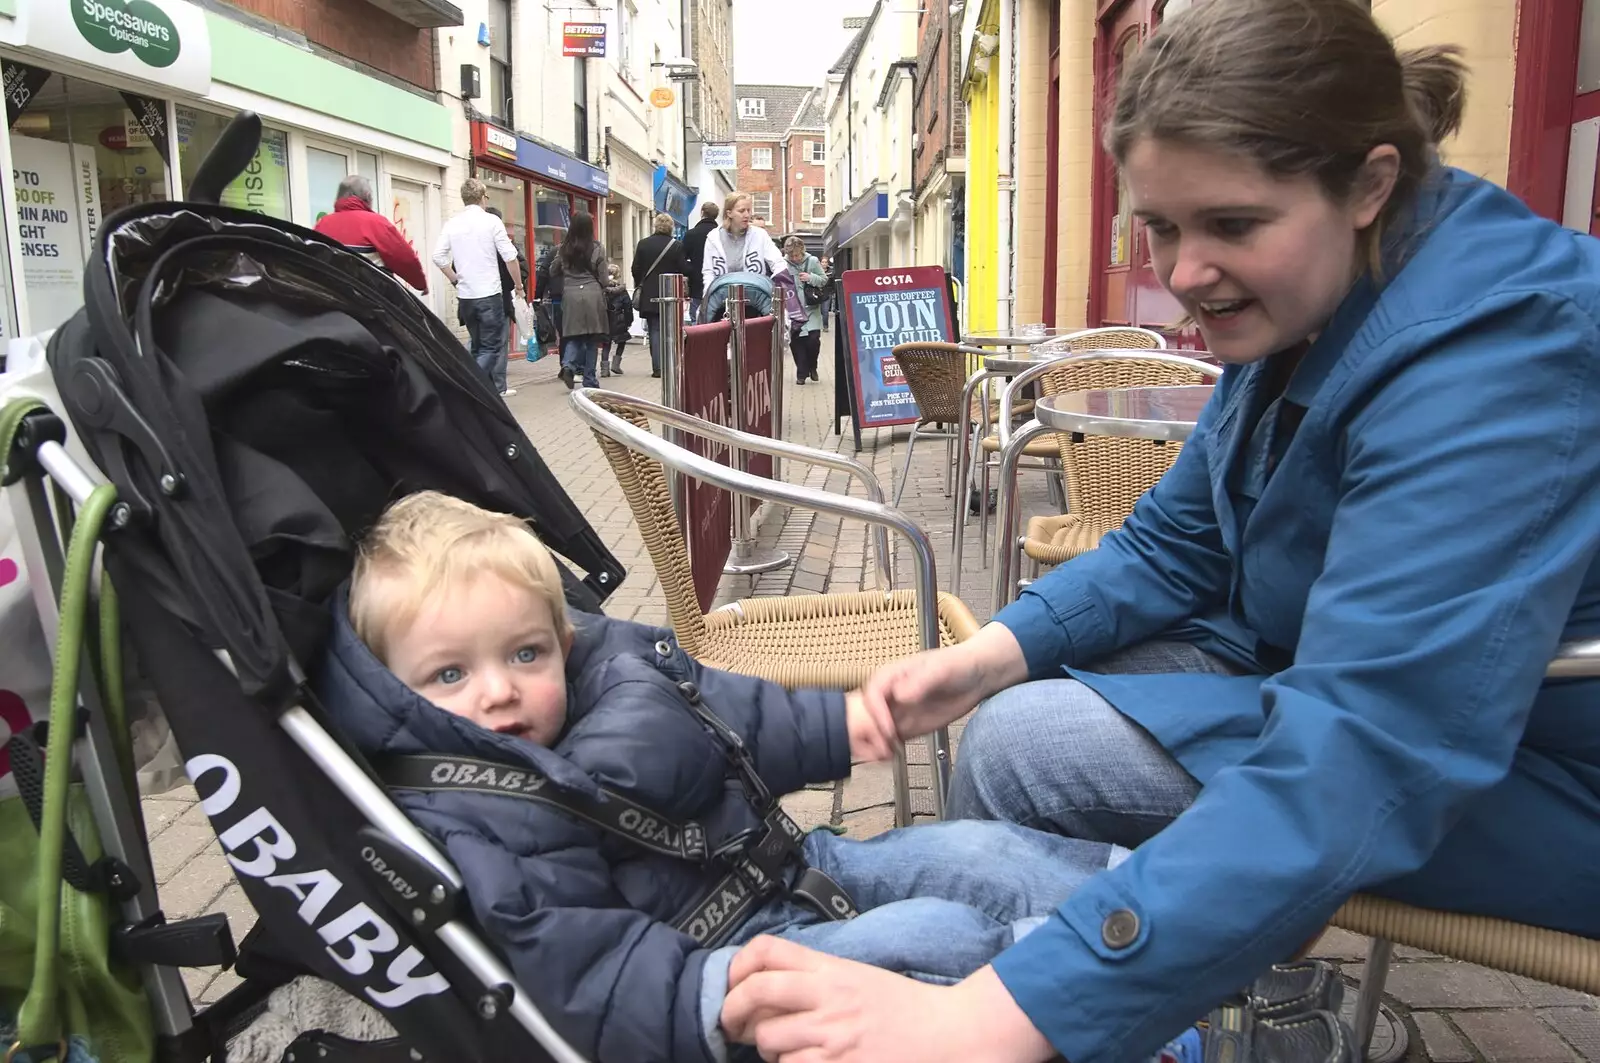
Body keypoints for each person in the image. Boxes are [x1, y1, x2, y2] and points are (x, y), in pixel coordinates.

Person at [718, 0, 1600, 1060]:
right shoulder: (1317, 291)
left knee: (1029, 754)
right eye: (1161, 227)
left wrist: (996, 1020)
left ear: (1368, 184)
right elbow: (1176, 540)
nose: (1182, 274)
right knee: (1011, 718)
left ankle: (1111, 994)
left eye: (1229, 225)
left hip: (1535, 775)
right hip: (1336, 686)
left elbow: (1373, 749)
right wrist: (990, 655)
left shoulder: (1497, 357)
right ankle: (1205, 995)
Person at [314, 490, 1131, 1063]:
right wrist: (713, 993)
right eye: (449, 674)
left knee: (971, 852)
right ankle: (1115, 1001)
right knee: (927, 934)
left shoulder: (615, 675)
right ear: (394, 687)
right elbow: (579, 964)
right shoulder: (467, 818)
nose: (498, 690)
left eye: (524, 653)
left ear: (562, 640)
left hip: (789, 865)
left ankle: (1141, 890)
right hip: (723, 962)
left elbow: (735, 716)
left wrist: (844, 723)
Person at [433, 178, 523, 398]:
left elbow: (438, 257)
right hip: (489, 295)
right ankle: (466, 388)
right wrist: (519, 286)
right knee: (491, 348)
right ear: (483, 198)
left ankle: (486, 397)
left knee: (477, 348)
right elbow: (510, 257)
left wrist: (455, 280)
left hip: (466, 298)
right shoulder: (491, 222)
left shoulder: (452, 223)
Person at [313, 175, 428, 293]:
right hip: (370, 302)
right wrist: (420, 284)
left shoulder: (322, 224)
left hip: (331, 297)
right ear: (367, 197)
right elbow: (404, 258)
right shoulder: (376, 223)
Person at [549, 212, 610, 390]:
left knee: (574, 336)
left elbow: (553, 270)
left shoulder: (563, 249)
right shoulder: (598, 248)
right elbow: (604, 279)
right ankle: (590, 379)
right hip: (592, 295)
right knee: (592, 340)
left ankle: (568, 366)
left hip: (571, 296)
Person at [633, 213, 688, 378]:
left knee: (654, 331)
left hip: (649, 294)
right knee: (670, 331)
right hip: (670, 294)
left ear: (655, 225)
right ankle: (671, 365)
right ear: (671, 227)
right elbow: (684, 268)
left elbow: (635, 268)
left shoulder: (643, 244)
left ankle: (657, 368)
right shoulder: (676, 245)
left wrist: (641, 283)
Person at [700, 192, 787, 297]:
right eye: (741, 211)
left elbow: (778, 263)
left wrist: (773, 287)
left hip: (756, 300)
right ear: (729, 213)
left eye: (748, 210)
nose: (747, 215)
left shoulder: (759, 235)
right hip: (722, 301)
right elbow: (708, 272)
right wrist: (708, 299)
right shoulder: (713, 238)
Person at [781, 236, 826, 384]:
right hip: (793, 310)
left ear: (802, 251)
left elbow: (824, 279)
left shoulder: (812, 261)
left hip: (811, 308)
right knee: (797, 343)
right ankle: (801, 374)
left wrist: (810, 277)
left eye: (797, 255)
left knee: (813, 340)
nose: (794, 258)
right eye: (791, 255)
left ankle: (813, 366)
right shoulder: (783, 264)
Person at [683, 202, 719, 323]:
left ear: (702, 213)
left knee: (696, 319)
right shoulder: (722, 234)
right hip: (718, 283)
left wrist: (692, 270)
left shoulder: (691, 234)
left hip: (697, 283)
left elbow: (683, 259)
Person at [599, 263, 633, 377]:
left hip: (605, 320)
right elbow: (628, 306)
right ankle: (616, 365)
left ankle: (604, 369)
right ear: (618, 275)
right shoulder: (622, 290)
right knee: (621, 341)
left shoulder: (602, 290)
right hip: (619, 320)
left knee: (606, 344)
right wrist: (629, 321)